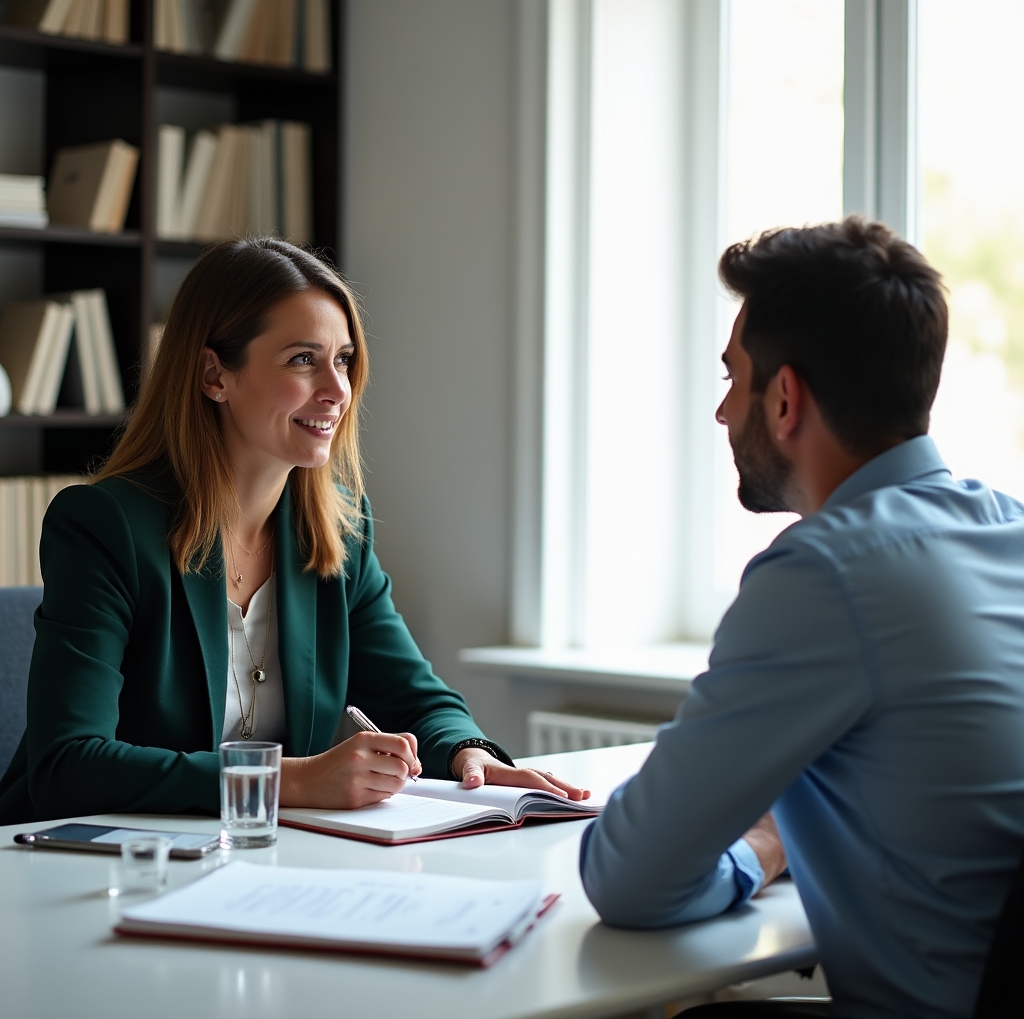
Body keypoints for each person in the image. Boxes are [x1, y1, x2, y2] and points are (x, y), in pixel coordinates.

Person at [579, 217, 1024, 1018]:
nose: (721, 412)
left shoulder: (827, 571)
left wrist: (760, 846)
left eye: (732, 377)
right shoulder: (1009, 530)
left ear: (785, 398)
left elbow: (628, 879)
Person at [0, 238, 587, 824]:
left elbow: (416, 697)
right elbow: (68, 765)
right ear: (214, 375)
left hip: (248, 860)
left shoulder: (339, 532)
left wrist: (470, 754)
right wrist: (291, 779)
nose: (337, 390)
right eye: (302, 360)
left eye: (344, 360)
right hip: (85, 864)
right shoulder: (106, 526)